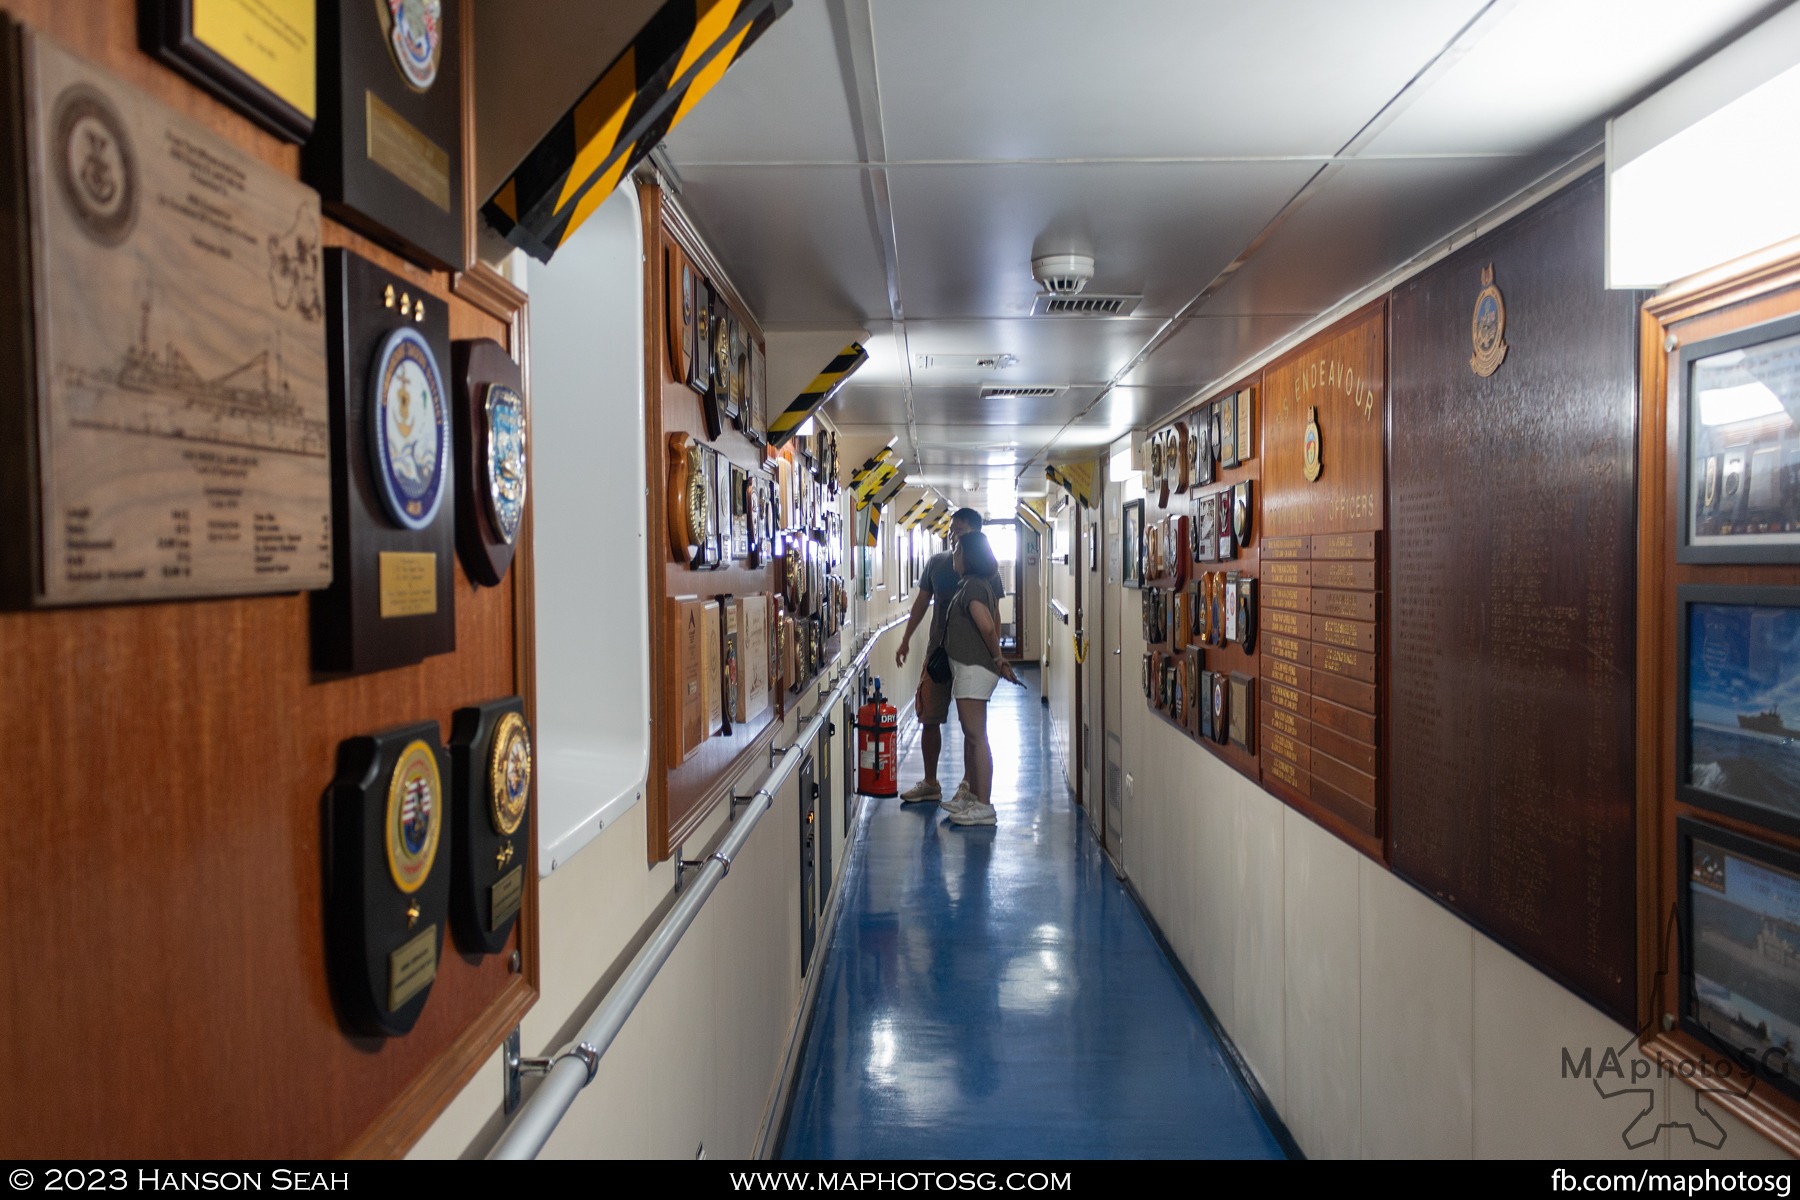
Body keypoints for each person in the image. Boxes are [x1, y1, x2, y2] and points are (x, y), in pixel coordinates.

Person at [894, 508, 1002, 806]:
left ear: (976, 535)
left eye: (961, 532)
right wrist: (905, 640)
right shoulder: (939, 564)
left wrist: (996, 657)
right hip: (939, 653)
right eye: (952, 531)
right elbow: (920, 604)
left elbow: (993, 617)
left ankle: (968, 785)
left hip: (970, 656)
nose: (954, 536)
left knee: (972, 729)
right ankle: (931, 783)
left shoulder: (986, 569)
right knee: (929, 717)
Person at [939, 530, 1021, 826]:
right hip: (970, 669)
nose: (954, 557)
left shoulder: (973, 587)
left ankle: (984, 806)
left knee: (976, 738)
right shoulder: (975, 583)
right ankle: (974, 797)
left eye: (958, 551)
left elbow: (987, 629)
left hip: (974, 670)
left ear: (969, 556)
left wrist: (999, 660)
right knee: (973, 738)